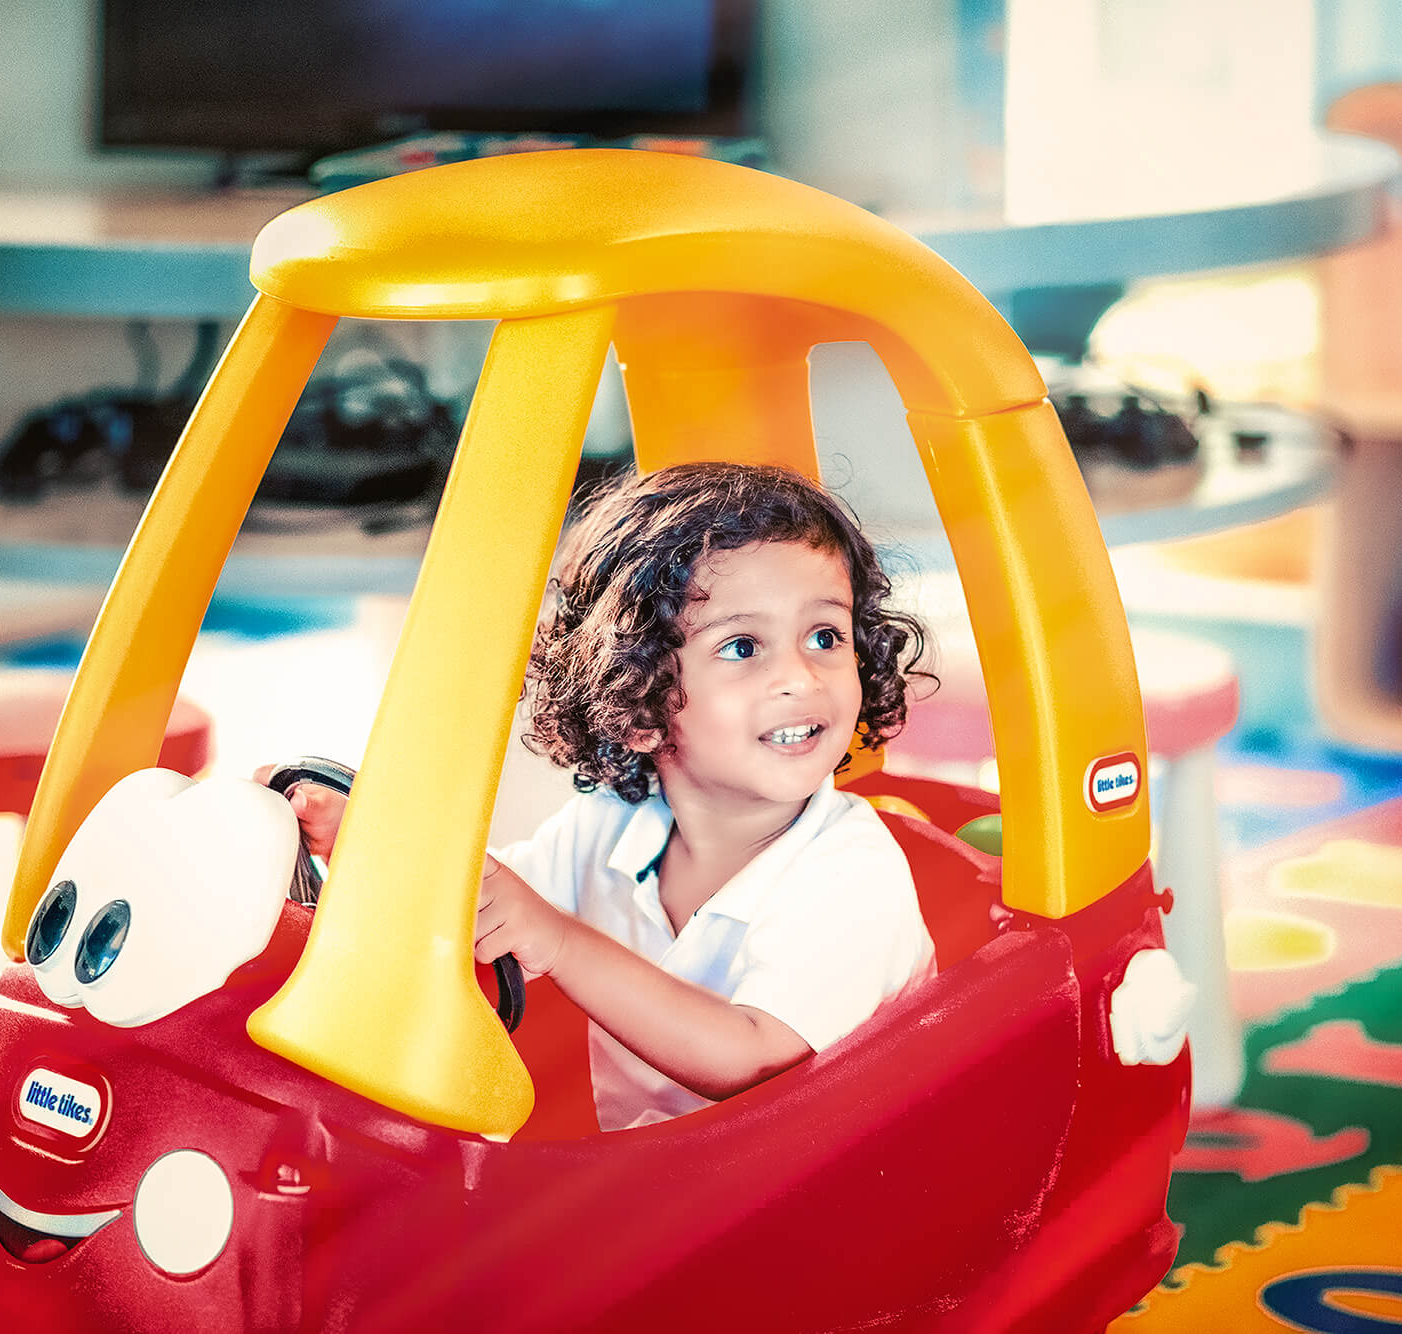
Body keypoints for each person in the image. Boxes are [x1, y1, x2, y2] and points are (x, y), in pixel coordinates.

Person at [268, 462, 937, 1130]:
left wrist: (558, 939)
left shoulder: (851, 868)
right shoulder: (611, 825)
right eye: (742, 646)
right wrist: (368, 845)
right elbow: (483, 917)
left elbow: (755, 1058)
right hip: (668, 1180)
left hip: (826, 1189)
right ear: (640, 703)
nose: (800, 677)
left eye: (826, 637)